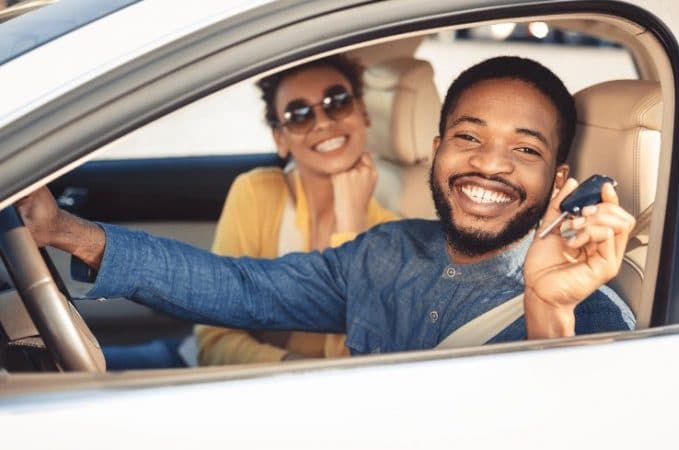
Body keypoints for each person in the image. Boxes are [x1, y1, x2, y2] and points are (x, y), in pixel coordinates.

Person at [18, 56, 637, 353]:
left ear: (558, 182)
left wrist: (547, 311)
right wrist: (68, 230)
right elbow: (239, 287)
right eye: (468, 137)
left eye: (523, 150)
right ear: (438, 150)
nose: (489, 164)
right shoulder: (384, 251)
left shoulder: (591, 312)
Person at [196, 55, 396, 365]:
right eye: (300, 115)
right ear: (281, 139)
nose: (324, 123)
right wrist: (291, 369)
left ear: (364, 114)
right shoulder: (255, 193)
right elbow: (213, 341)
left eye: (338, 102)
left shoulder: (392, 235)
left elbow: (358, 363)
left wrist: (351, 228)